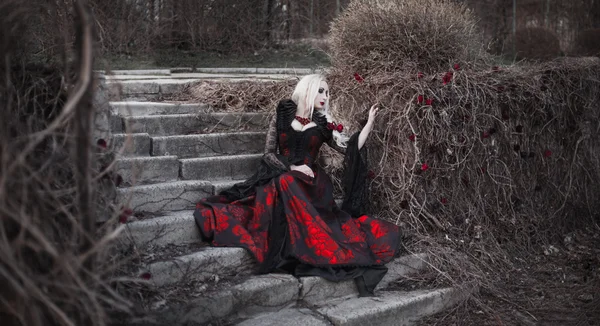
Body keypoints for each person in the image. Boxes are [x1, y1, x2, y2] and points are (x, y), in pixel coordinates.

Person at [193, 74, 402, 296]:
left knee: (286, 182)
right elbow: (268, 153)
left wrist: (369, 125)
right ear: (308, 89)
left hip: (313, 183)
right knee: (283, 181)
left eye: (328, 92)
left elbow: (349, 149)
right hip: (284, 174)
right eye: (321, 91)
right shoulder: (283, 114)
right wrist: (291, 168)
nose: (325, 96)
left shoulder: (323, 124)